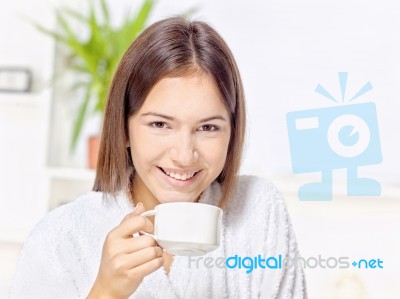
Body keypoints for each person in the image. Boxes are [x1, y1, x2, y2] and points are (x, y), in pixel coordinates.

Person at [9, 17, 307, 299]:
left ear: (232, 131)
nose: (184, 155)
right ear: (124, 128)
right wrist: (105, 292)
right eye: (160, 125)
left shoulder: (257, 211)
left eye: (207, 127)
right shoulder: (62, 236)